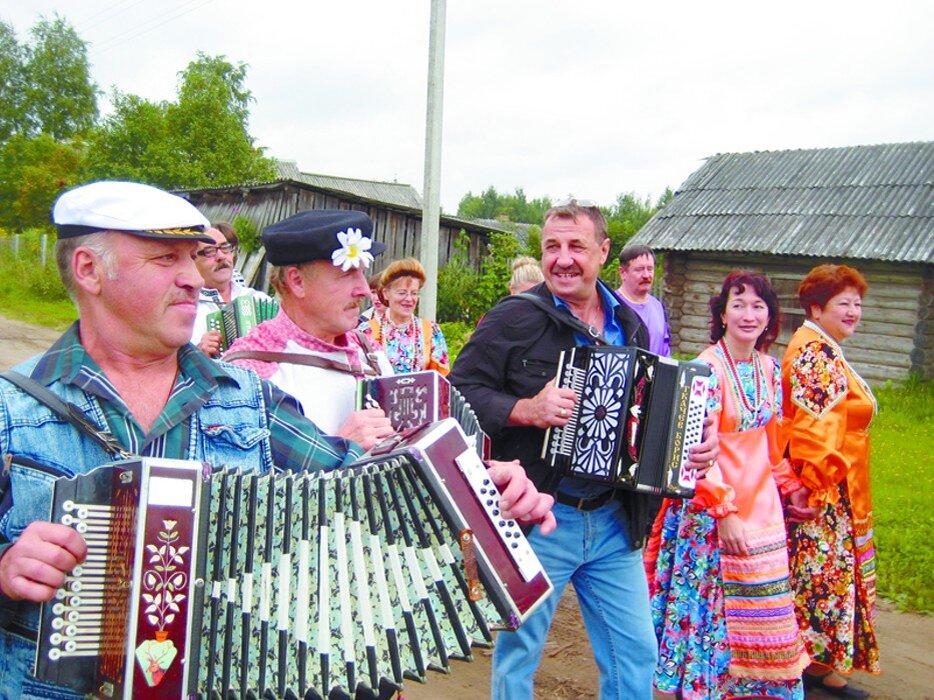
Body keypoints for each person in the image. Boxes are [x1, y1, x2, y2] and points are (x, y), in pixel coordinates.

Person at [0, 183, 554, 700]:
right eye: (165, 259)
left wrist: (485, 496)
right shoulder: (12, 409)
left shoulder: (246, 399)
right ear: (89, 269)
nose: (193, 277)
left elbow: (363, 491)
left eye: (192, 258)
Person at [449, 199, 719, 700]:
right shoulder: (514, 318)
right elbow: (456, 392)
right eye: (552, 246)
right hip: (541, 520)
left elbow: (653, 405)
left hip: (615, 519)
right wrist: (525, 408)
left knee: (636, 653)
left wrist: (692, 441)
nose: (563, 258)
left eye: (576, 245)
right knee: (519, 657)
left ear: (603, 251)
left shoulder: (629, 323)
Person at [644, 271, 810, 699]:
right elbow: (694, 454)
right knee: (713, 611)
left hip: (764, 513)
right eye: (738, 304)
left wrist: (790, 487)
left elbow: (772, 445)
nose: (748, 314)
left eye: (758, 305)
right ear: (722, 313)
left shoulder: (771, 370)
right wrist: (725, 513)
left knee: (764, 614)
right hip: (712, 511)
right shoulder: (704, 369)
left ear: (770, 315)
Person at [782, 264, 879, 699]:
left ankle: (815, 664)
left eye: (857, 303)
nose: (854, 311)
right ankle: (809, 667)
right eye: (844, 303)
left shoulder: (825, 346)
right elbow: (813, 428)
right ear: (816, 307)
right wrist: (817, 487)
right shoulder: (813, 353)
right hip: (825, 490)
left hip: (841, 484)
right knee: (820, 580)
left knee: (825, 578)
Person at [224, 209, 397, 450]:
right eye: (347, 274)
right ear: (297, 281)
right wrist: (341, 450)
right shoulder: (250, 375)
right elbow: (242, 482)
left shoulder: (371, 354)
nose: (364, 289)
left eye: (362, 272)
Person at [191, 220, 270, 357]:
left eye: (225, 247)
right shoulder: (185, 310)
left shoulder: (258, 299)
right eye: (209, 251)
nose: (221, 256)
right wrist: (195, 354)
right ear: (192, 260)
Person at [361, 257, 450, 376]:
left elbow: (441, 379)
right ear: (386, 293)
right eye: (402, 293)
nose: (409, 299)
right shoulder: (366, 331)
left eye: (414, 293)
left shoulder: (431, 331)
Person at [616, 244, 671, 356]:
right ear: (623, 273)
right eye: (639, 270)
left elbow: (665, 350)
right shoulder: (613, 306)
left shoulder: (657, 306)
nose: (646, 275)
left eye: (650, 269)